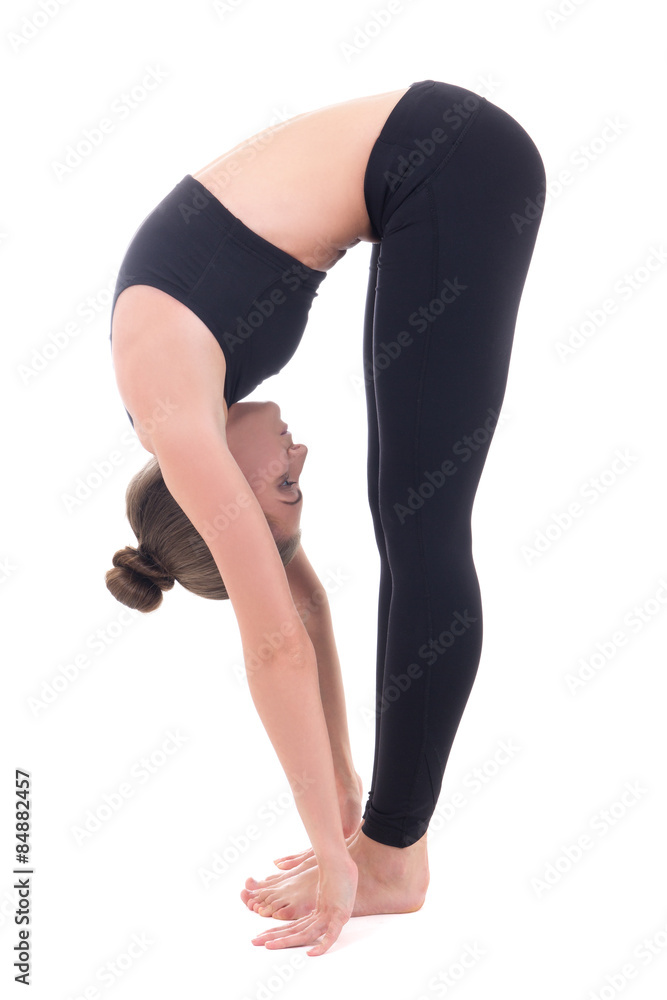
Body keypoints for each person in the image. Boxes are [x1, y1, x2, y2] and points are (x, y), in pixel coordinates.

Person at [105, 80, 546, 956]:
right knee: (410, 524)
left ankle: (392, 862)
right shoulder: (193, 413)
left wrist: (338, 858)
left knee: (423, 532)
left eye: (285, 488)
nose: (299, 458)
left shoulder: (174, 410)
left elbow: (273, 648)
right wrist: (339, 798)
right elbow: (301, 606)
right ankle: (381, 836)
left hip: (448, 163)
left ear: (226, 496)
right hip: (435, 172)